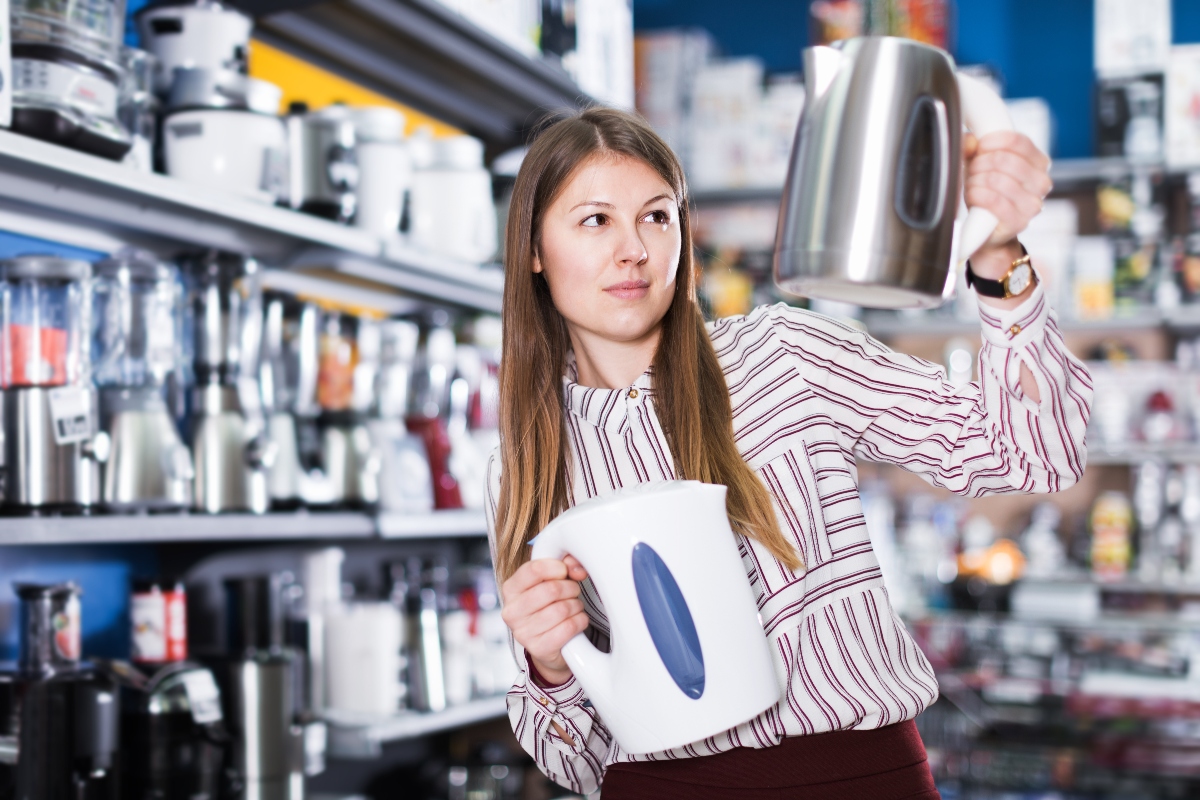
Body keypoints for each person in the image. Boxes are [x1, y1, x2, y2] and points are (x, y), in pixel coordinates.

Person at [485, 106, 1091, 799]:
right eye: (596, 221)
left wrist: (998, 256)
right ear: (534, 248)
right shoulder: (522, 466)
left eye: (656, 216)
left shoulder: (785, 354)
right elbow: (582, 766)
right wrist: (550, 666)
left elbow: (1032, 453)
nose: (634, 250)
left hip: (859, 781)